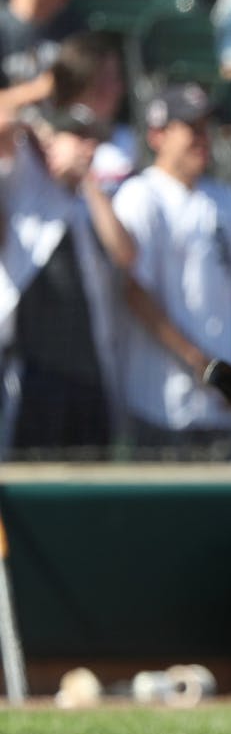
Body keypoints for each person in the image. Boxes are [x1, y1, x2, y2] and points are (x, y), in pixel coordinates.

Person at [110, 83, 231, 457]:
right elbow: (133, 290)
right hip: (161, 402)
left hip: (221, 407)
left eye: (205, 128)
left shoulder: (226, 198)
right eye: (190, 129)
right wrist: (200, 362)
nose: (202, 139)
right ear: (157, 135)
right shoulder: (141, 194)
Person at [0, 35, 136, 458]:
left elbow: (127, 254)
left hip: (92, 365)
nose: (114, 90)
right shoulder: (27, 146)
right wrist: (46, 87)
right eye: (103, 79)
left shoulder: (118, 153)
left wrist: (86, 177)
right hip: (28, 365)